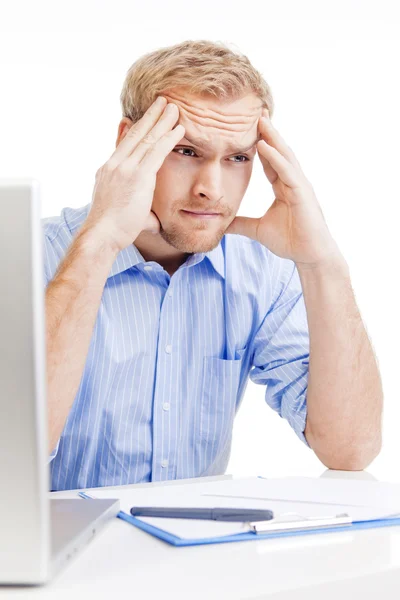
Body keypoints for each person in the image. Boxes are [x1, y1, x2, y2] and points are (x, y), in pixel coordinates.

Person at [44, 39, 383, 491]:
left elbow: (351, 449)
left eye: (238, 158)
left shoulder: (261, 271)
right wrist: (101, 241)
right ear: (128, 143)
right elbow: (12, 450)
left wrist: (323, 263)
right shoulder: (32, 255)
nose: (212, 189)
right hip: (42, 557)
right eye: (187, 152)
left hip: (192, 554)